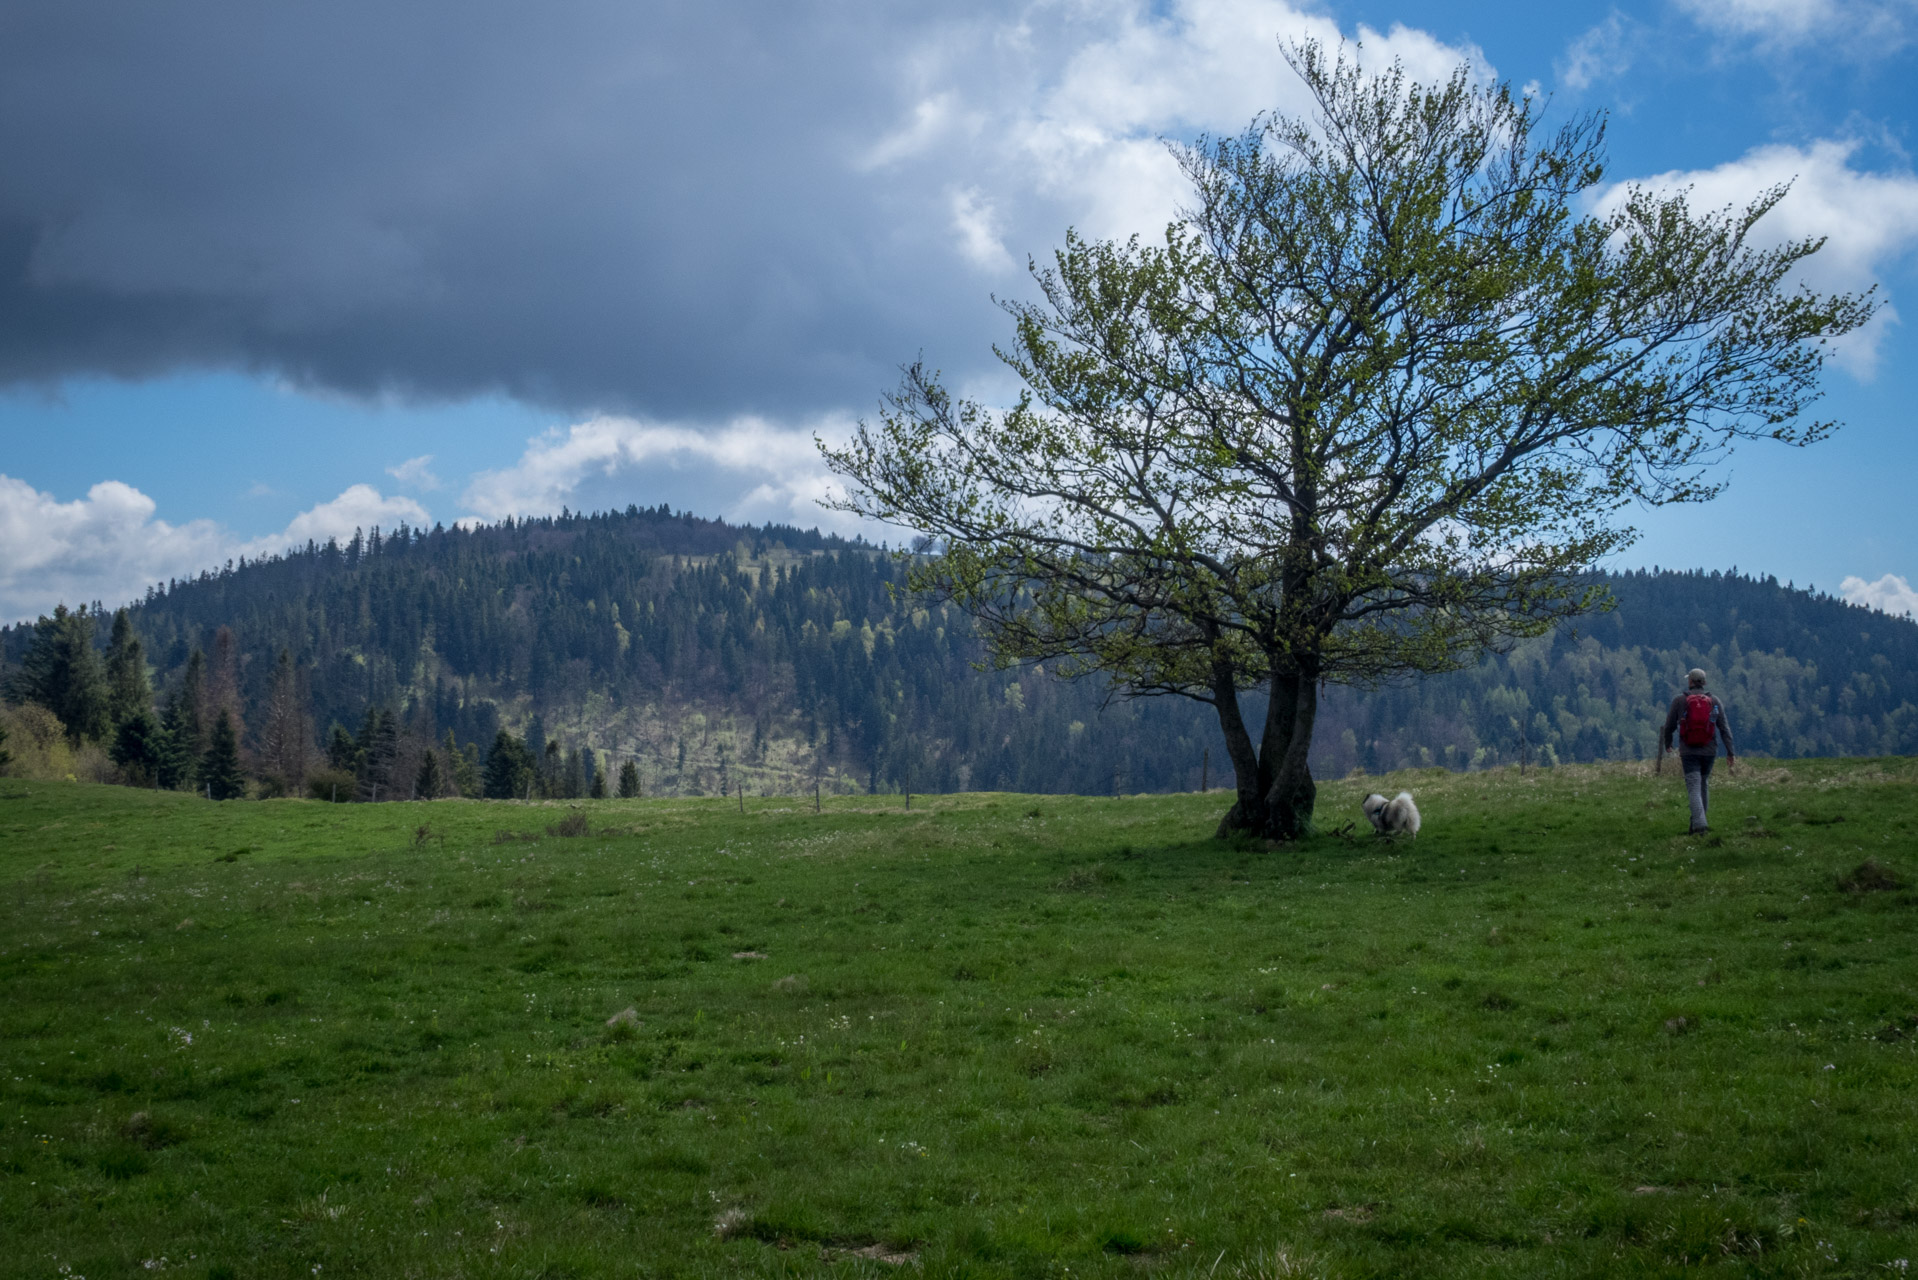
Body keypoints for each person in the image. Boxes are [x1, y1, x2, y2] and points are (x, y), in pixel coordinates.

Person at [1660, 668, 1735, 834]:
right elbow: (1724, 728)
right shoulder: (1714, 701)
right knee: (1703, 785)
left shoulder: (1680, 701)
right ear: (1705, 682)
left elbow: (1669, 725)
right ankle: (1695, 826)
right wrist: (1730, 752)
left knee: (1694, 786)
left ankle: (1700, 826)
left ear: (1690, 682)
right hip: (1709, 751)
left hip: (1689, 751)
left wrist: (1668, 743)